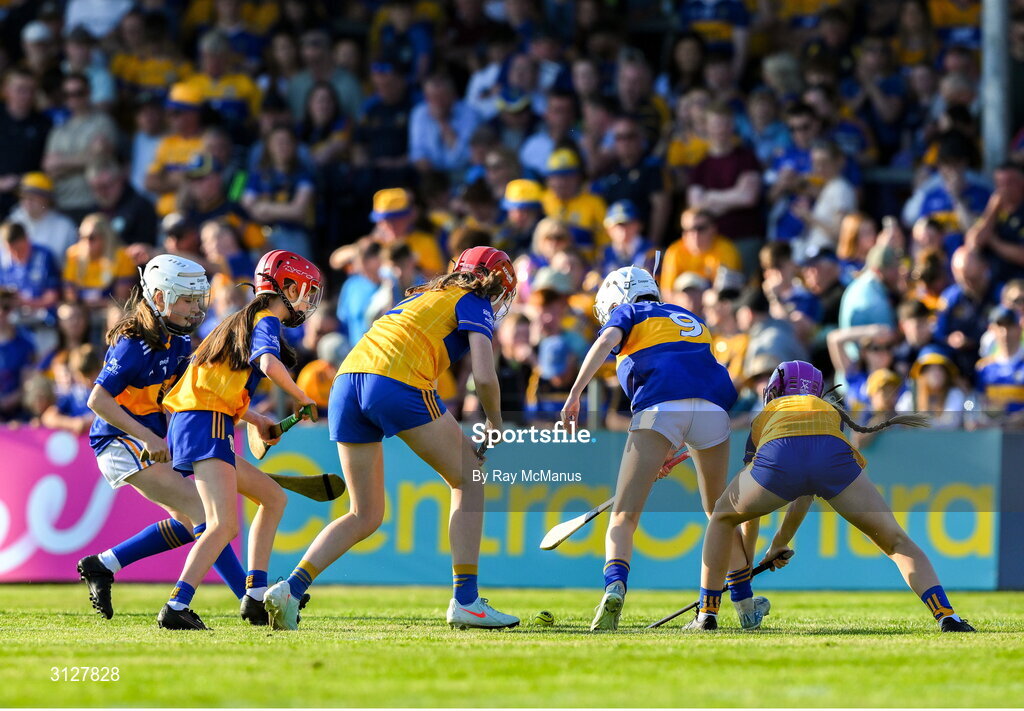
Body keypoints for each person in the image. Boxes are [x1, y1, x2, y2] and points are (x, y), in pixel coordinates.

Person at [263, 247, 520, 631]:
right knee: (469, 480)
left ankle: (290, 588)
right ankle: (466, 600)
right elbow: (483, 376)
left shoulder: (423, 296)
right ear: (494, 284)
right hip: (395, 381)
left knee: (364, 513)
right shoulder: (474, 300)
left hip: (346, 382)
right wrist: (496, 422)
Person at [685, 360, 976, 633]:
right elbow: (807, 489)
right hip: (833, 458)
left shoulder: (766, 414)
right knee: (896, 541)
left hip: (780, 453)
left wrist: (745, 572)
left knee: (721, 517)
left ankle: (707, 614)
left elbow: (750, 515)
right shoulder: (827, 409)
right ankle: (947, 615)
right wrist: (779, 542)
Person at [75, 254, 286, 625]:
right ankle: (248, 601)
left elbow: (192, 394)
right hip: (120, 441)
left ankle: (102, 564)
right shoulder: (132, 342)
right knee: (207, 515)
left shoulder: (180, 341)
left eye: (196, 299)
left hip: (151, 439)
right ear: (158, 298)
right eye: (185, 299)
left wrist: (252, 417)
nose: (194, 308)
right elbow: (97, 400)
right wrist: (145, 435)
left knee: (190, 523)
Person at [561, 266, 767, 632]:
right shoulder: (688, 316)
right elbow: (690, 375)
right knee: (719, 514)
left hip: (659, 409)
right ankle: (746, 605)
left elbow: (607, 341)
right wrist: (669, 447)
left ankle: (614, 590)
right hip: (713, 413)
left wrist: (576, 392)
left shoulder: (629, 313)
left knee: (624, 516)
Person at [157, 250, 321, 629]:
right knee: (223, 525)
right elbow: (267, 362)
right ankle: (176, 606)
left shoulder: (238, 321)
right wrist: (303, 396)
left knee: (273, 497)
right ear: (287, 287)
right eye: (306, 292)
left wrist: (257, 417)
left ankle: (255, 596)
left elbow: (215, 386)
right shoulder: (264, 319)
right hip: (206, 423)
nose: (308, 301)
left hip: (199, 419)